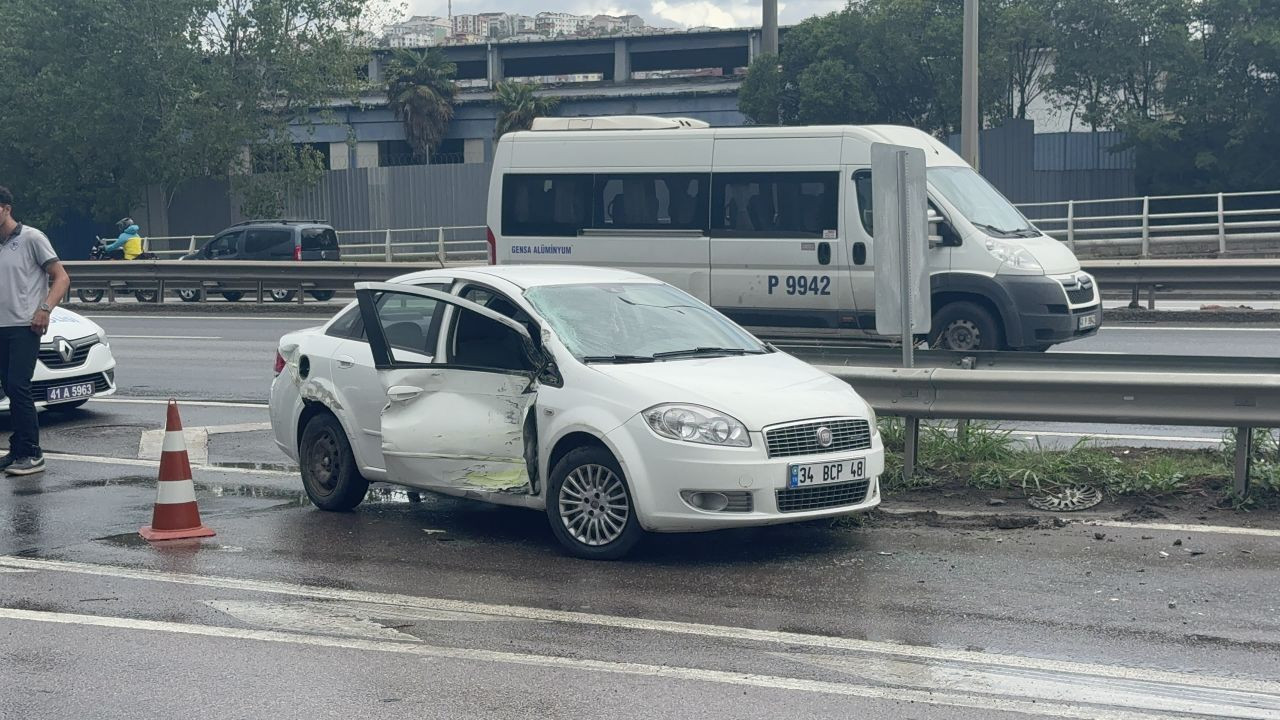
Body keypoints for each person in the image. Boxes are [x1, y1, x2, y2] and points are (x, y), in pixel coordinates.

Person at [0, 185, 72, 476]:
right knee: (9, 388)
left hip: (23, 326)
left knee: (19, 386)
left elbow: (61, 277)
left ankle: (32, 453)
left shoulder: (31, 237)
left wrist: (44, 309)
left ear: (6, 208)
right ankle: (18, 449)